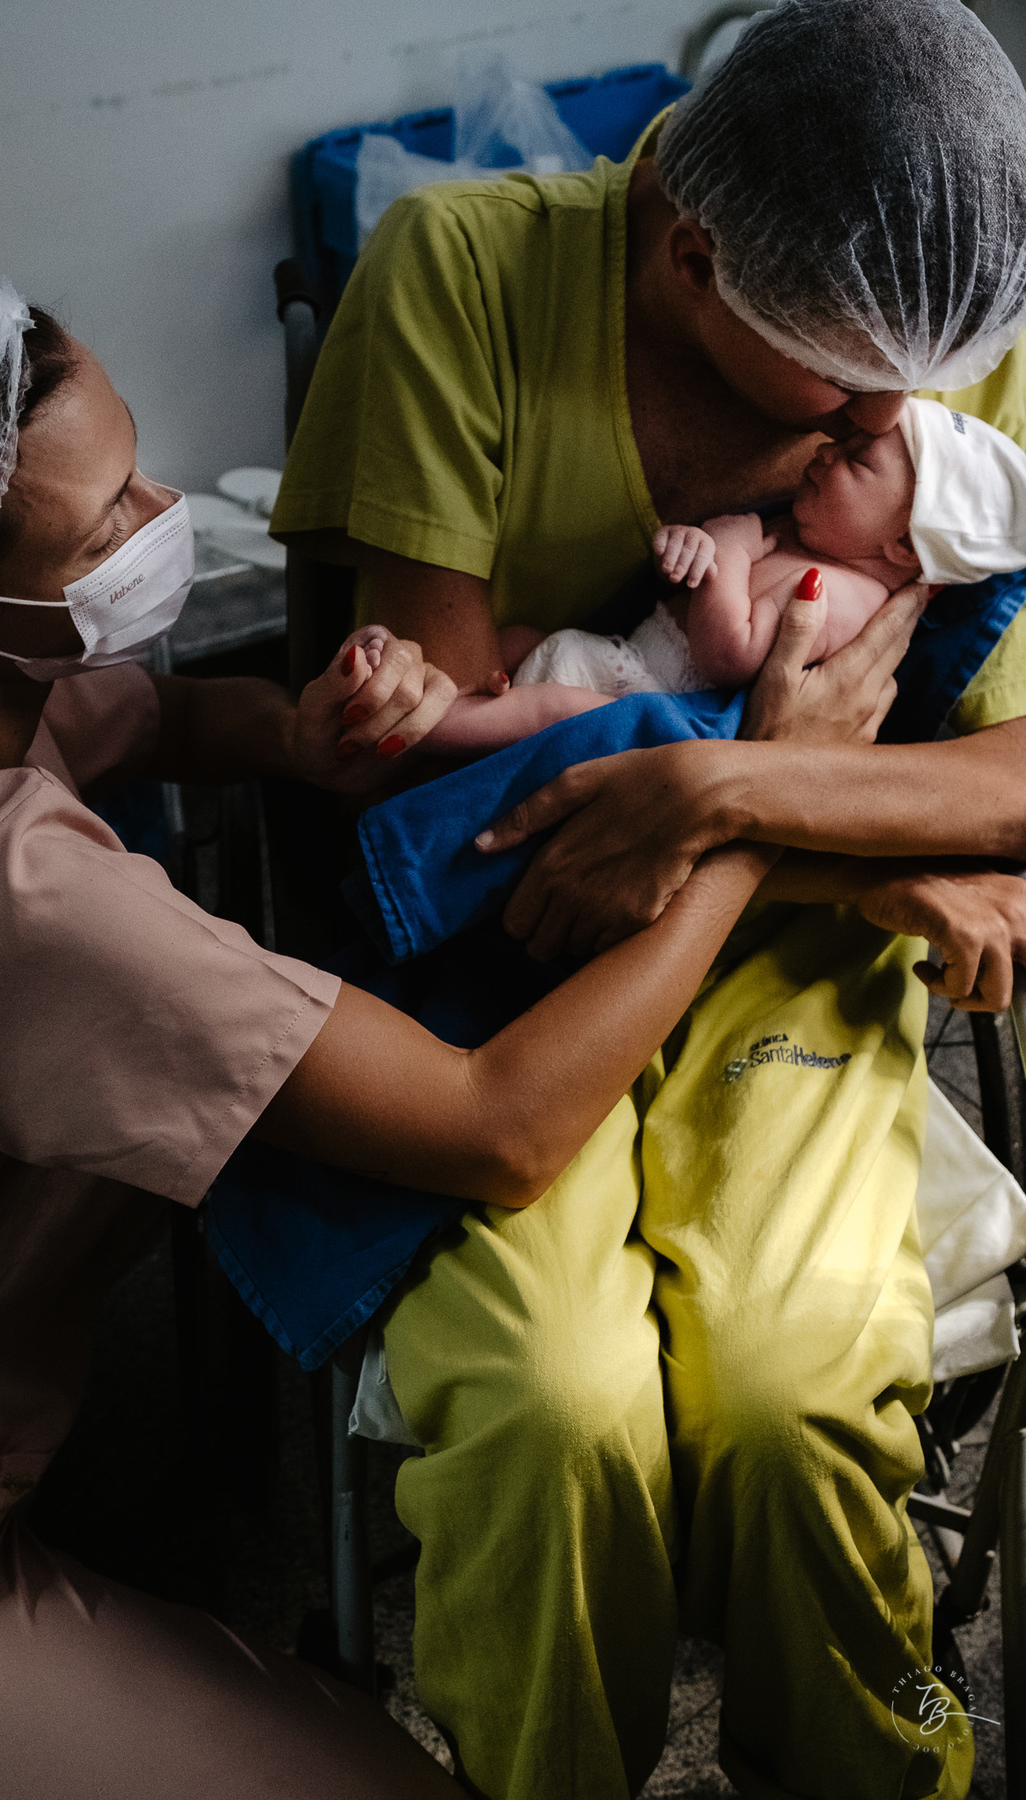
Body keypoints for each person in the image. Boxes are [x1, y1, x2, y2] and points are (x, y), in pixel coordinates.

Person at [0, 263, 974, 1798]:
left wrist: (301, 734)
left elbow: (147, 715)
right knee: (552, 1399)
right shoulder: (7, 896)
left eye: (140, 466)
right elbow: (497, 1126)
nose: (163, 514)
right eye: (109, 523)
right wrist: (759, 799)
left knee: (790, 1373)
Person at [269, 1, 1026, 1795]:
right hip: (513, 962)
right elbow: (457, 794)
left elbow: (1007, 796)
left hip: (789, 956)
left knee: (787, 1395)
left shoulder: (947, 324)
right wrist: (862, 805)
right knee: (554, 1413)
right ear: (693, 256)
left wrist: (726, 791)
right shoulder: (462, 279)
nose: (893, 424)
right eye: (843, 395)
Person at [424, 398, 1026, 755]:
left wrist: (730, 555)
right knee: (513, 645)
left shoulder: (851, 598)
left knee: (550, 710)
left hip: (651, 717)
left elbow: (729, 653)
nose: (826, 451)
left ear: (901, 543)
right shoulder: (810, 538)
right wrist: (696, 547)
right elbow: (702, 577)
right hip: (623, 661)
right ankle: (431, 698)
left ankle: (423, 729)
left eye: (857, 460)